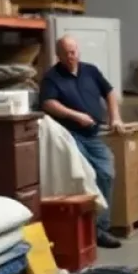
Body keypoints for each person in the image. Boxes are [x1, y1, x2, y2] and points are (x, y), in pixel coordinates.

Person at [39, 35, 125, 249]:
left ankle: (100, 227)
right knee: (86, 175)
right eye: (66, 53)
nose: (71, 56)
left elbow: (110, 92)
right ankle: (89, 230)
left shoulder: (91, 71)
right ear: (58, 55)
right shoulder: (51, 77)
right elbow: (48, 103)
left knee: (106, 172)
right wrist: (75, 115)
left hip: (93, 135)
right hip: (70, 136)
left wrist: (115, 117)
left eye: (74, 51)